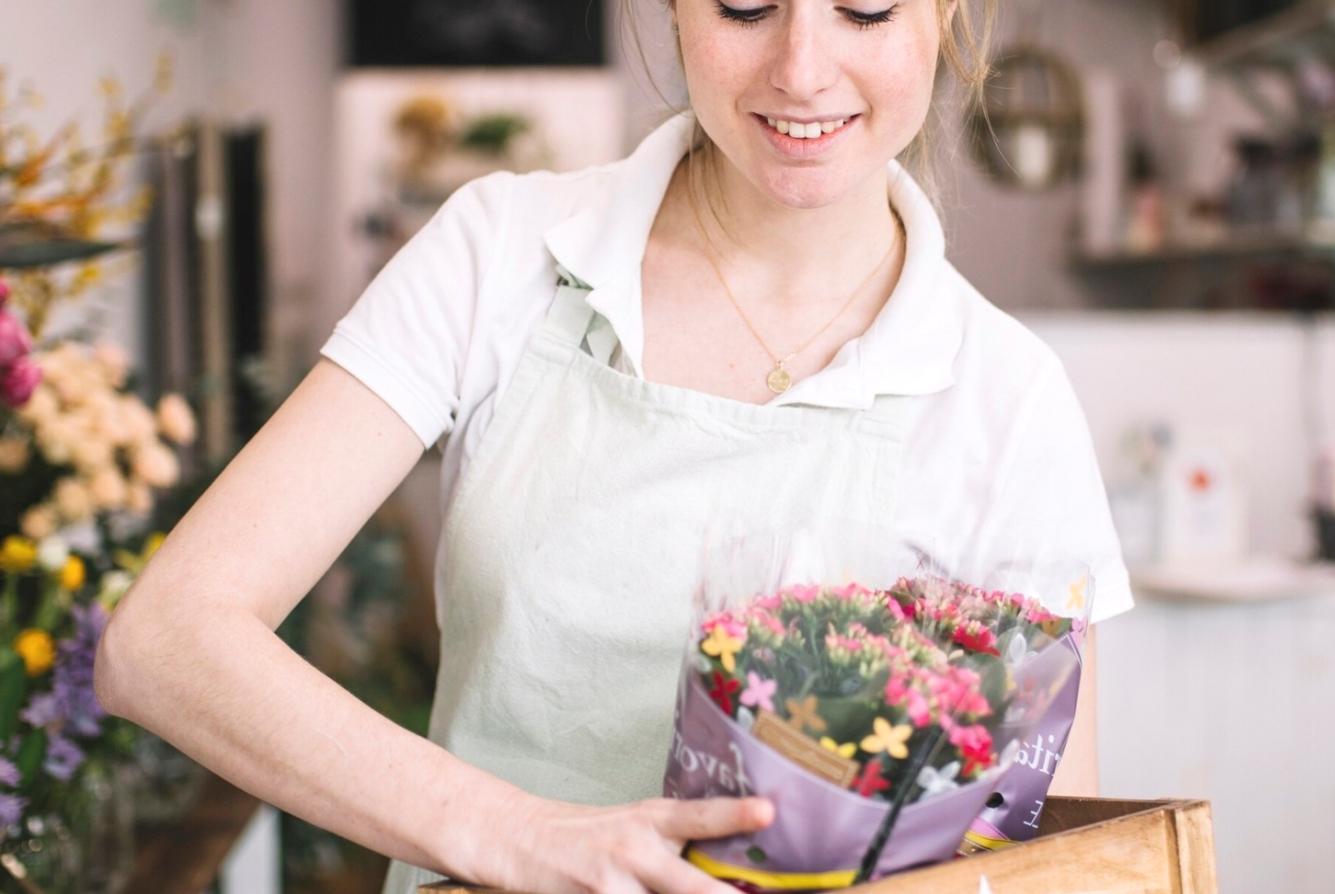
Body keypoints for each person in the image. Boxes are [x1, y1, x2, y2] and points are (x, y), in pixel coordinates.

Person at [95, 1, 1134, 892]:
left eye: (863, 6)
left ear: (946, 13)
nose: (802, 68)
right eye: (742, 4)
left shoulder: (1007, 397)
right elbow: (167, 640)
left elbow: (1064, 860)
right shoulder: (498, 252)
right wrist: (514, 833)